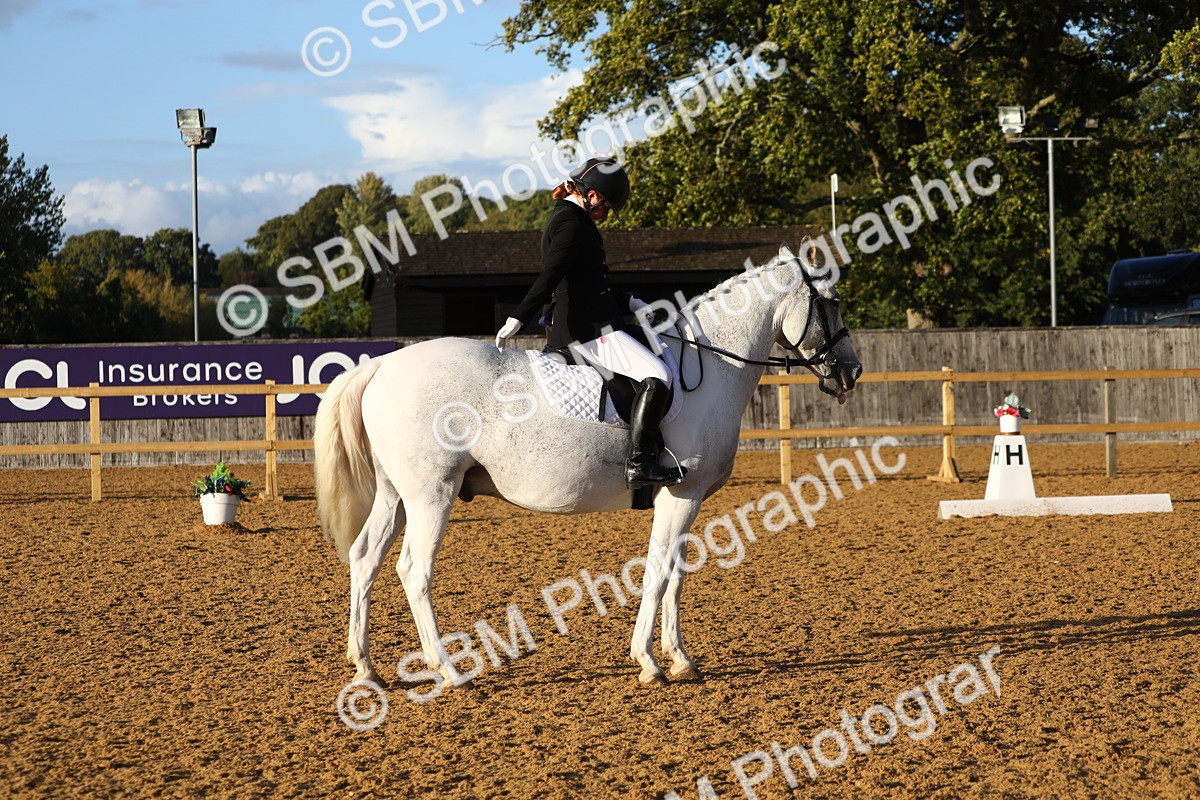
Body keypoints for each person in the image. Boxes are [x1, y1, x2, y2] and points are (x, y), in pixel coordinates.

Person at [494, 157, 684, 489]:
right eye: (607, 208)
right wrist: (518, 316)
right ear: (592, 195)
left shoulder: (573, 220)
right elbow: (552, 276)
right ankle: (640, 464)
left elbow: (589, 282)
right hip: (588, 331)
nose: (606, 215)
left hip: (597, 319)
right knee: (659, 374)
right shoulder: (571, 223)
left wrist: (630, 301)